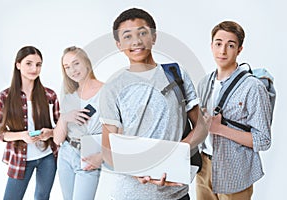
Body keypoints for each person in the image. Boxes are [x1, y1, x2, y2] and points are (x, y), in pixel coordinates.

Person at [99, 8, 206, 200]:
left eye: (142, 33)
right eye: (127, 36)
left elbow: (201, 127)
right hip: (131, 193)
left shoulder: (176, 73)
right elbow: (108, 149)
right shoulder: (112, 87)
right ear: (118, 44)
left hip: (176, 193)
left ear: (153, 37)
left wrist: (173, 154)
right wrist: (136, 170)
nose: (136, 41)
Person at [196, 21, 272, 200]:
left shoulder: (253, 87)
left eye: (230, 45)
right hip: (204, 167)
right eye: (218, 43)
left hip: (235, 172)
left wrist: (219, 129)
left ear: (239, 50)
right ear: (211, 46)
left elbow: (263, 140)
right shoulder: (204, 83)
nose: (222, 51)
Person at [0, 46, 60, 200]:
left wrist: (50, 133)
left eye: (38, 64)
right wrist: (22, 136)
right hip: (20, 158)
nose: (34, 69)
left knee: (42, 197)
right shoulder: (4, 97)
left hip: (48, 157)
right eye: (29, 63)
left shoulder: (49, 95)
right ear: (18, 65)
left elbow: (61, 127)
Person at [53, 46, 103, 200]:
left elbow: (118, 131)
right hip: (66, 153)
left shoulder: (106, 91)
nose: (72, 70)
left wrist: (102, 157)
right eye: (67, 67)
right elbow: (57, 139)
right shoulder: (68, 94)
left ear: (86, 62)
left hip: (88, 153)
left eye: (76, 63)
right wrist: (65, 117)